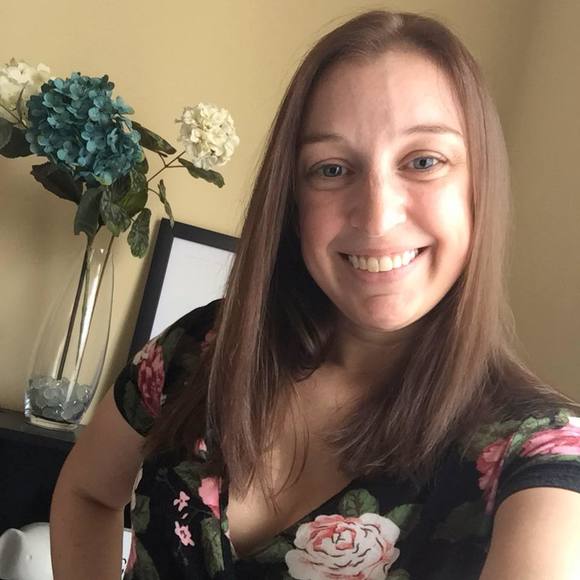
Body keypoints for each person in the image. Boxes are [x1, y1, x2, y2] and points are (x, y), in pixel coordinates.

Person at [50, 9, 580, 580]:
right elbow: (87, 493)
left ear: (479, 187)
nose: (376, 216)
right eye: (331, 168)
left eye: (424, 161)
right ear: (293, 200)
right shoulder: (201, 345)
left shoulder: (537, 453)